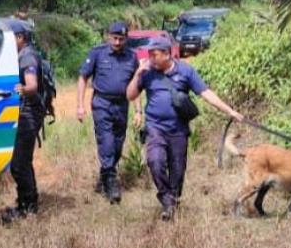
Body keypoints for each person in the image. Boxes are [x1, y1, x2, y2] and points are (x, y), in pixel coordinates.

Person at [127, 37, 244, 220]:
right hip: (155, 127)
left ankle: (172, 200)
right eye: (149, 54)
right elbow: (130, 94)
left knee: (178, 169)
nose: (150, 58)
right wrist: (137, 75)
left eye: (154, 54)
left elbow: (206, 93)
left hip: (178, 129)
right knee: (155, 161)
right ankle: (167, 200)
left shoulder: (186, 71)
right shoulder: (147, 72)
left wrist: (230, 111)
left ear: (166, 54)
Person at [77, 21, 142, 204]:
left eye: (121, 39)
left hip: (122, 105)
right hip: (102, 103)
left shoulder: (131, 57)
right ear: (108, 36)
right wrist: (80, 106)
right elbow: (83, 78)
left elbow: (136, 85)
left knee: (118, 147)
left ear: (126, 39)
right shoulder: (97, 53)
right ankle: (111, 185)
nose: (117, 42)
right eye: (114, 38)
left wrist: (138, 111)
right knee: (107, 142)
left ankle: (104, 177)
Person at [3, 20, 45, 223]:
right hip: (27, 112)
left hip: (29, 114)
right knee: (22, 162)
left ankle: (27, 207)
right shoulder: (22, 54)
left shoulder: (27, 56)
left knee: (19, 164)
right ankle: (29, 202)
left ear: (20, 38)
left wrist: (18, 89)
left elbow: (32, 85)